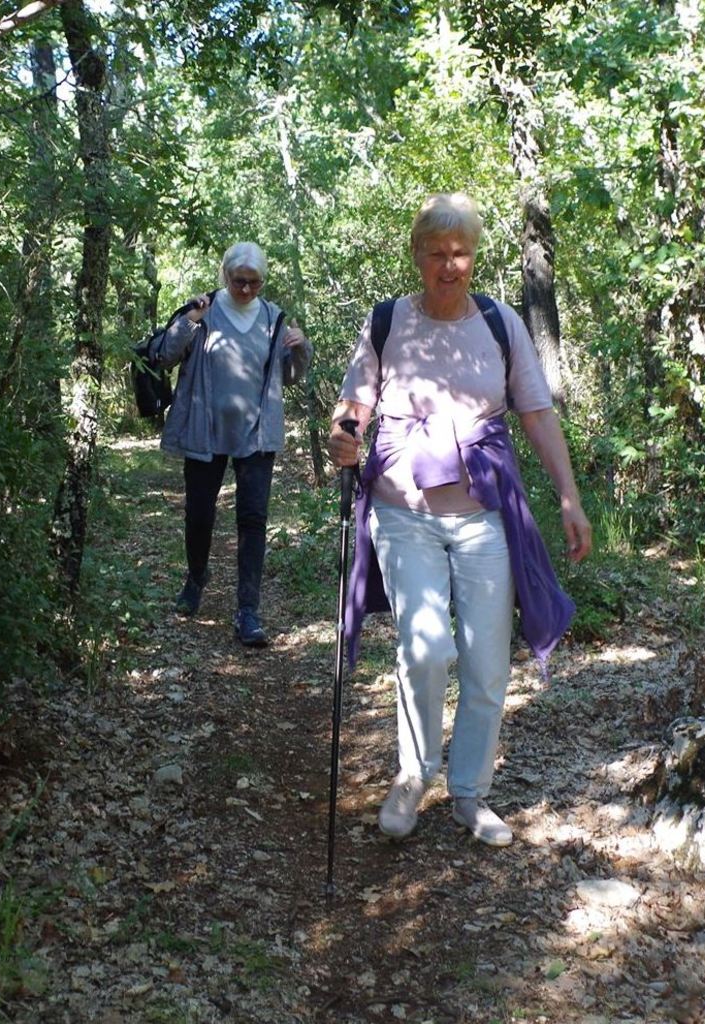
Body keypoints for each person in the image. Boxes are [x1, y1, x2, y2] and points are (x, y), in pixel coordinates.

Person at [327, 193, 591, 846]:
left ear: (473, 256)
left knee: (486, 664)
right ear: (416, 256)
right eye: (437, 253)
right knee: (423, 647)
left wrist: (568, 496)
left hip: (482, 516)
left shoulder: (500, 324)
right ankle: (413, 775)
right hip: (402, 513)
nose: (450, 265)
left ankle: (470, 792)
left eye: (461, 253)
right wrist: (342, 436)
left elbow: (536, 413)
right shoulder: (388, 321)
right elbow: (354, 404)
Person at [155, 242, 311, 647]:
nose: (246, 289)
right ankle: (195, 578)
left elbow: (288, 378)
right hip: (204, 431)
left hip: (256, 435)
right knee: (199, 513)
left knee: (253, 519)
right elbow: (165, 356)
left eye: (254, 283)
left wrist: (301, 349)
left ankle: (248, 610)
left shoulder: (274, 318)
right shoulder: (204, 310)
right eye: (239, 281)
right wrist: (188, 322)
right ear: (225, 275)